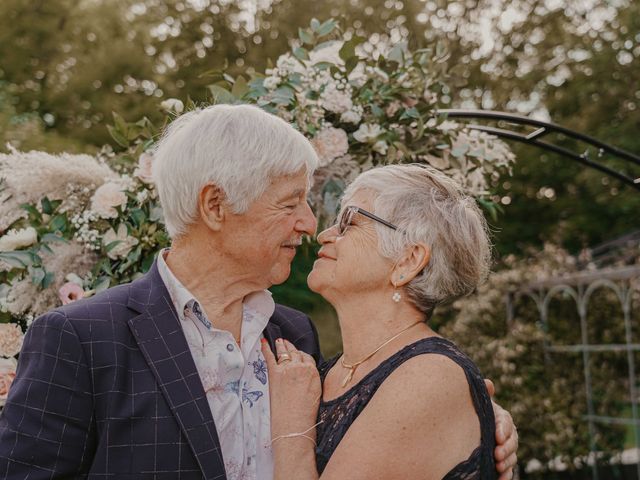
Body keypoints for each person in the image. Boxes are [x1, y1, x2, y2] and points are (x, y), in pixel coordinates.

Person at [0, 105, 517, 479]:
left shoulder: (293, 334)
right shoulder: (81, 338)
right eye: (291, 203)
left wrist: (471, 416)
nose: (311, 225)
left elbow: (394, 415)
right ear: (216, 206)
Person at [263, 163, 513, 479]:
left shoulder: (431, 376)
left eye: (348, 222)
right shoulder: (329, 371)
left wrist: (291, 429)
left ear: (408, 261)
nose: (325, 234)